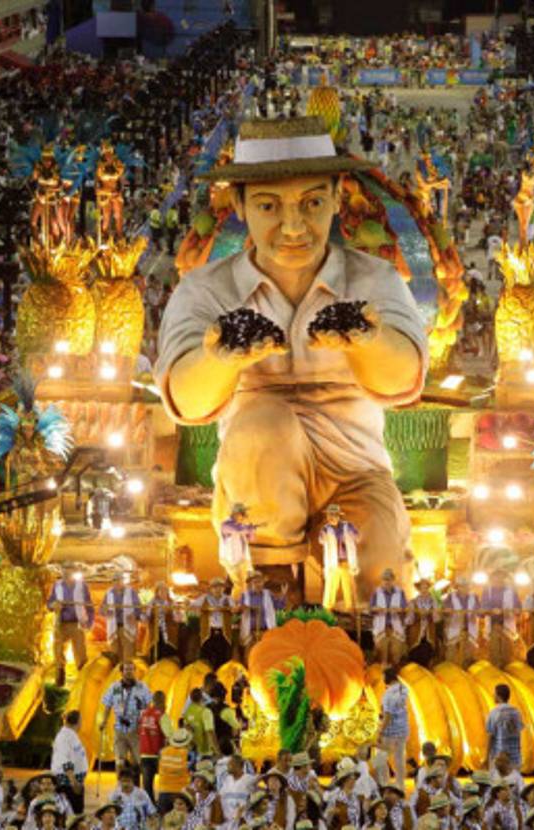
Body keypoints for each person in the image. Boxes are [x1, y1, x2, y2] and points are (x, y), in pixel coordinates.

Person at [155, 116, 428, 597]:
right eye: (269, 206)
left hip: (356, 471)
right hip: (258, 484)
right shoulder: (206, 290)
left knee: (375, 587)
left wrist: (367, 339)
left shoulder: (375, 281)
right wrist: (221, 358)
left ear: (338, 199)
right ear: (238, 204)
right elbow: (186, 400)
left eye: (313, 203)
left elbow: (402, 380)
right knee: (264, 421)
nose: (294, 226)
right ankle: (270, 586)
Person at [100, 662, 152, 769]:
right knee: (120, 761)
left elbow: (149, 706)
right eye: (126, 669)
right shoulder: (114, 687)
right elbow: (107, 705)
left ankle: (135, 784)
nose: (129, 672)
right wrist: (104, 721)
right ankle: (120, 784)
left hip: (136, 730)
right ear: (121, 672)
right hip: (119, 729)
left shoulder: (142, 687)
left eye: (131, 669)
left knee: (136, 762)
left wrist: (145, 723)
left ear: (135, 671)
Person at [49, 572, 93, 686]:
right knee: (58, 649)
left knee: (80, 650)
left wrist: (89, 622)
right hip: (61, 623)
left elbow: (89, 605)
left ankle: (83, 677)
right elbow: (49, 603)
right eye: (66, 571)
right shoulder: (57, 585)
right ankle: (60, 675)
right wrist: (53, 605)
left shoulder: (82, 586)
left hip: (77, 623)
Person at [320, 504, 361, 612]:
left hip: (346, 562)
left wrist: (352, 536)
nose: (330, 518)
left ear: (338, 516)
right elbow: (321, 540)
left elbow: (357, 537)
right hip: (333, 563)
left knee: (348, 588)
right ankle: (328, 611)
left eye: (333, 515)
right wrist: (324, 537)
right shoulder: (326, 529)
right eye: (329, 515)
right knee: (330, 587)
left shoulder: (348, 527)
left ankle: (351, 610)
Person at [376, 666, 409, 788]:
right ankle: (400, 784)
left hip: (390, 732)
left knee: (380, 757)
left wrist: (380, 731)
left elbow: (388, 716)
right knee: (399, 758)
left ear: (387, 678)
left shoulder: (388, 694)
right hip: (402, 730)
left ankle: (384, 783)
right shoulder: (404, 689)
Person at [51, 710, 88, 814]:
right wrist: (73, 781)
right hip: (68, 785)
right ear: (78, 721)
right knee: (71, 815)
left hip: (74, 783)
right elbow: (64, 760)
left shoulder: (71, 735)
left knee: (77, 814)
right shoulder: (64, 737)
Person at [370, 568, 407, 667]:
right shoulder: (376, 593)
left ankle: (394, 669)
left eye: (389, 580)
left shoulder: (400, 592)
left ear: (393, 580)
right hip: (381, 626)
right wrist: (376, 609)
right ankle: (382, 669)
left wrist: (399, 610)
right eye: (385, 580)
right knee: (382, 651)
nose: (387, 582)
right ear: (382, 581)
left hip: (395, 626)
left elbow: (404, 608)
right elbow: (371, 609)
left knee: (396, 650)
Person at [193, 577, 234, 667]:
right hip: (208, 632)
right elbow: (192, 606)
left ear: (223, 588)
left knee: (223, 656)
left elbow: (234, 609)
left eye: (220, 587)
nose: (217, 589)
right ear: (211, 589)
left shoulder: (228, 599)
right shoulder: (204, 598)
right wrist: (198, 609)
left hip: (224, 632)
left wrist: (232, 609)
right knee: (207, 657)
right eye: (215, 587)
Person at [101, 574, 141, 665]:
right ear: (112, 582)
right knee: (115, 652)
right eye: (115, 581)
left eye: (119, 580)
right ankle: (116, 673)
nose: (117, 583)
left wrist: (134, 615)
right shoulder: (109, 593)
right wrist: (106, 611)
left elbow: (138, 607)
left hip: (126, 626)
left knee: (128, 652)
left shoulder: (131, 592)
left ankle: (129, 673)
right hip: (113, 627)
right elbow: (102, 608)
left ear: (123, 581)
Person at [137, 691, 169, 802]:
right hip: (158, 755)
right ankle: (161, 806)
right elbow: (169, 735)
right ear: (163, 701)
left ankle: (150, 808)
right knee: (165, 783)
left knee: (147, 786)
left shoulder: (143, 714)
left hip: (144, 753)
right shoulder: (162, 716)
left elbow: (138, 731)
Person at [237, 570, 276, 659]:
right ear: (250, 584)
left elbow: (279, 606)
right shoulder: (245, 595)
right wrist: (243, 608)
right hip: (250, 632)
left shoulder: (268, 594)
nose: (258, 584)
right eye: (255, 582)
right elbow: (239, 609)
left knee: (266, 655)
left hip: (266, 631)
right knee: (249, 656)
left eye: (260, 581)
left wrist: (282, 597)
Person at [485, 684, 524, 772]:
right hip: (515, 757)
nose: (493, 696)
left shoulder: (494, 713)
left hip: (500, 759)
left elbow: (490, 736)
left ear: (498, 696)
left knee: (499, 784)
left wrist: (486, 757)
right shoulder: (516, 712)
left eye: (494, 694)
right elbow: (519, 732)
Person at [219, 504, 256, 594]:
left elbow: (251, 539)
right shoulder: (226, 524)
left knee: (245, 585)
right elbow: (237, 530)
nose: (243, 516)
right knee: (239, 585)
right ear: (235, 514)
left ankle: (241, 605)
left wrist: (251, 529)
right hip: (231, 560)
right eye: (242, 514)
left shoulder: (241, 526)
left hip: (242, 560)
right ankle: (235, 606)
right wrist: (249, 528)